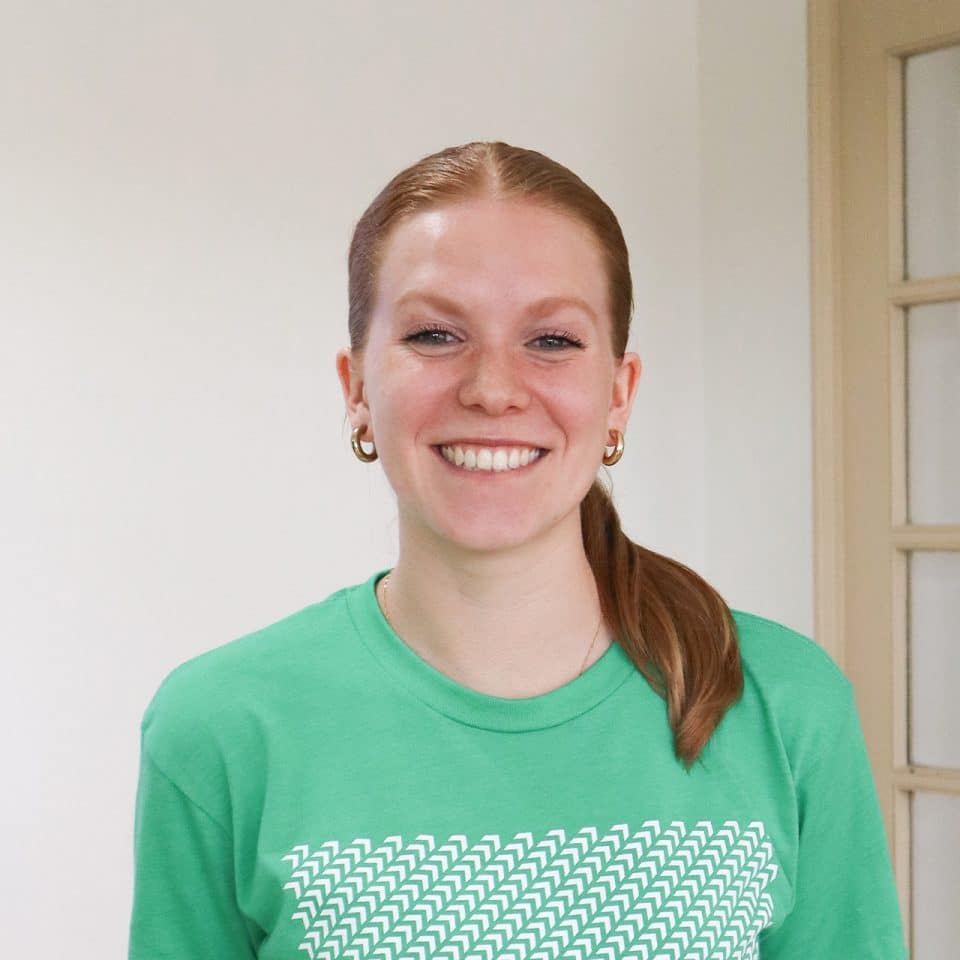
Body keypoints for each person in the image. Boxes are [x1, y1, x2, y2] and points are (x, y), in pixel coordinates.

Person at [128, 141, 908, 959]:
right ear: (357, 387)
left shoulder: (787, 706)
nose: (493, 388)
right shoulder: (219, 728)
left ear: (619, 394)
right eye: (435, 334)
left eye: (552, 341)